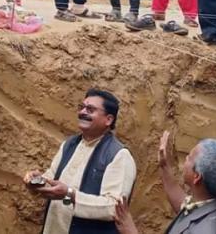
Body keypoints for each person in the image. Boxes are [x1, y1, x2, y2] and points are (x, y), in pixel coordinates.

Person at [24, 88, 136, 233]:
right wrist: (37, 181)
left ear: (108, 119)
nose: (83, 112)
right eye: (81, 107)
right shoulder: (69, 144)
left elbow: (114, 207)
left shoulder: (119, 155)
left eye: (90, 109)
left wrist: (69, 194)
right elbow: (51, 178)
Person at [113, 131, 216, 234]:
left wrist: (130, 231)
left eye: (189, 158)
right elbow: (186, 208)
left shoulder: (202, 230)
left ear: (197, 177)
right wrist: (164, 166)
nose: (186, 159)